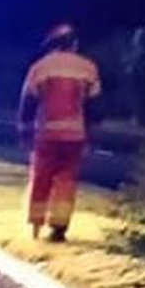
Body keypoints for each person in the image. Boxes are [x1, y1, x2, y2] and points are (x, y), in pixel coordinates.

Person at [18, 24, 101, 242]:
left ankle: (36, 224)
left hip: (46, 134)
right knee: (67, 181)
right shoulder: (88, 68)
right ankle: (59, 228)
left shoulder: (40, 67)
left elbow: (28, 101)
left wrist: (24, 129)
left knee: (41, 177)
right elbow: (93, 106)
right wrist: (91, 136)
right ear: (74, 43)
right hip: (75, 135)